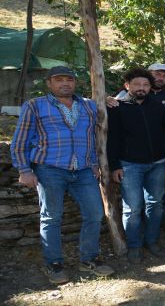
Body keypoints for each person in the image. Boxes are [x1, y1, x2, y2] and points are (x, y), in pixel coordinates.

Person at [10, 66, 114, 284]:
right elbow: (19, 141)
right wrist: (24, 169)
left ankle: (89, 258)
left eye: (69, 80)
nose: (65, 83)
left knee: (95, 214)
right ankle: (54, 263)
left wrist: (94, 163)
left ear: (75, 83)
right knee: (51, 217)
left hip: (84, 170)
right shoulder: (35, 106)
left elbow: (93, 137)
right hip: (50, 169)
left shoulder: (88, 106)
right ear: (49, 83)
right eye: (59, 80)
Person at [107, 68, 165, 264]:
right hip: (129, 165)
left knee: (155, 205)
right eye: (137, 84)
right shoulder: (116, 108)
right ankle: (134, 245)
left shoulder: (159, 107)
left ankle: (152, 241)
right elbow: (112, 139)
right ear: (127, 85)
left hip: (158, 163)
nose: (142, 88)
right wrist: (114, 166)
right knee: (133, 207)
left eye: (145, 85)